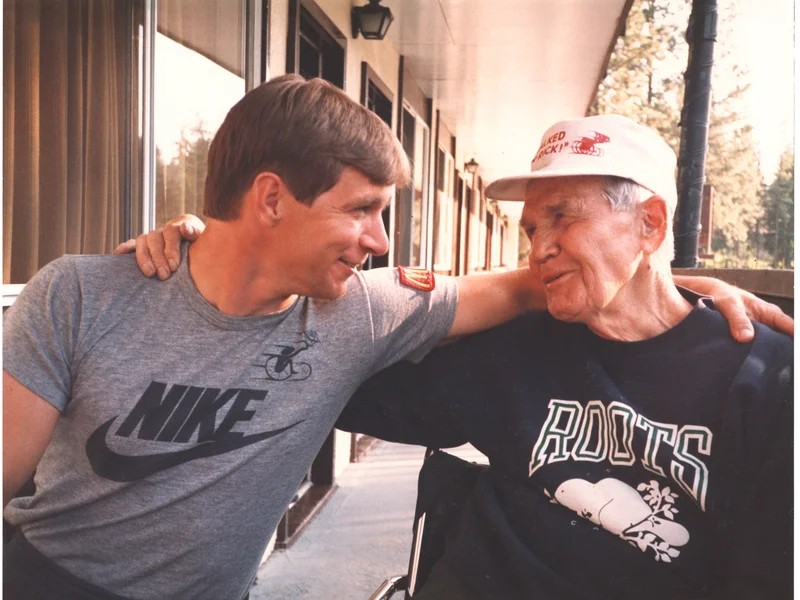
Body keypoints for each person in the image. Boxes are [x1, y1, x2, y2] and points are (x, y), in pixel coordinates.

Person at [3, 74, 550, 600]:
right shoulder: (80, 293)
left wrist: (631, 253)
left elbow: (529, 288)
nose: (381, 241)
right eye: (361, 209)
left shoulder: (360, 313)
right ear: (271, 200)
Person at [335, 115, 794, 599]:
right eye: (533, 228)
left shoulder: (767, 383)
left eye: (563, 217)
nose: (538, 250)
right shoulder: (513, 347)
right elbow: (339, 380)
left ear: (650, 224)